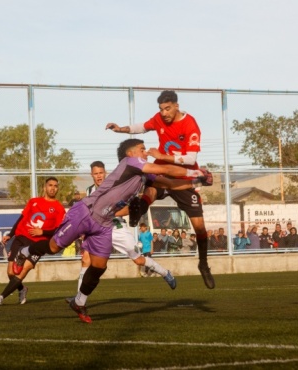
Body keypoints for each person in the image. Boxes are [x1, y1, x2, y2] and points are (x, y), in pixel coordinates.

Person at [14, 139, 212, 323]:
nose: (146, 151)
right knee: (54, 247)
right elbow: (165, 168)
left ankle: (79, 302)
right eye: (142, 149)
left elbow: (170, 183)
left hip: (105, 223)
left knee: (99, 266)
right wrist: (196, 172)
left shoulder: (145, 174)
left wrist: (197, 182)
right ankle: (25, 252)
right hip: (86, 213)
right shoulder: (129, 162)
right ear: (131, 152)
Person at [106, 90, 215, 289]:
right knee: (151, 189)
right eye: (161, 109)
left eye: (167, 108)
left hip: (183, 177)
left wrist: (163, 156)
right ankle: (139, 208)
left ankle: (203, 264)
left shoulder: (190, 124)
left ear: (176, 106)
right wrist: (121, 129)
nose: (163, 113)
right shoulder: (159, 119)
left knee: (199, 227)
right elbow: (143, 127)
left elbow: (191, 158)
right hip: (161, 172)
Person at [75, 160, 177, 290]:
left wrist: (107, 212)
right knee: (85, 260)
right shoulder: (90, 191)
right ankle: (78, 299)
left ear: (105, 173)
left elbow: (129, 209)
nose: (99, 176)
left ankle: (165, 273)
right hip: (97, 230)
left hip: (116, 228)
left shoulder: (116, 187)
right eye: (96, 173)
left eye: (101, 172)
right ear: (91, 175)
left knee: (138, 260)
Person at [0, 177, 66, 306]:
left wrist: (42, 232)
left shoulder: (59, 208)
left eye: (55, 186)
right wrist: (10, 234)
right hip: (21, 238)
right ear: (44, 187)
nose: (53, 188)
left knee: (24, 269)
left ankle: (1, 296)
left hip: (38, 244)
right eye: (50, 185)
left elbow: (58, 230)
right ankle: (22, 289)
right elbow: (21, 218)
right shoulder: (33, 202)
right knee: (11, 272)